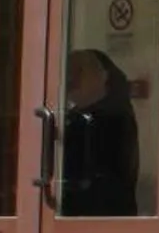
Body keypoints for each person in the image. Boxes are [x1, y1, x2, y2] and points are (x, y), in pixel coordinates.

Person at [61, 48, 142, 219]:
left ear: (104, 77)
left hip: (99, 219)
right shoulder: (77, 117)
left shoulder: (111, 118)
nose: (71, 81)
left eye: (79, 73)